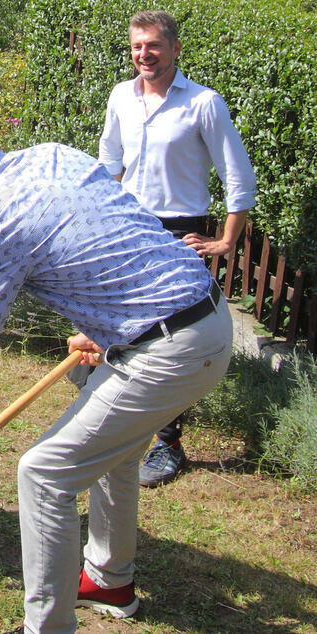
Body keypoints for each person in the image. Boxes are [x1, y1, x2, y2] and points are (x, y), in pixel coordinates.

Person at [0, 114, 233, 632]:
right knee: (116, 456)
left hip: (173, 349)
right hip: (204, 316)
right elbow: (117, 235)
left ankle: (46, 628)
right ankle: (109, 581)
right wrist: (111, 326)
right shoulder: (52, 153)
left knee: (43, 473)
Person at [99, 9, 256, 487]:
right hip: (129, 225)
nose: (143, 54)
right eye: (136, 46)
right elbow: (108, 162)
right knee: (124, 325)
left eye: (153, 46)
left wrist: (227, 239)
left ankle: (168, 445)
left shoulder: (204, 103)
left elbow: (238, 176)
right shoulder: (121, 96)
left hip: (179, 231)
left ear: (174, 49)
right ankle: (120, 423)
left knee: (170, 338)